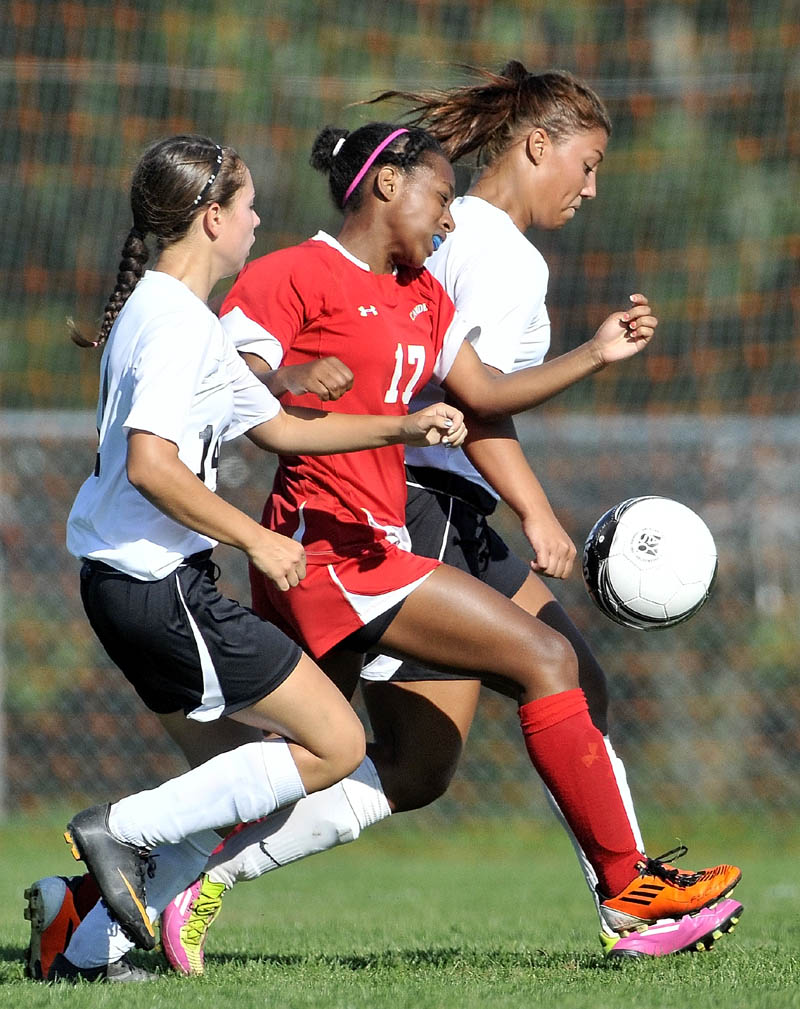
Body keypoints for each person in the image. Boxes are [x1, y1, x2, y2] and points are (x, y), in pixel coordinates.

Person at [30, 114, 740, 979]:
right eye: (441, 197)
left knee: (371, 766)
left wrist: (593, 354)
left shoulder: (424, 295)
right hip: (323, 551)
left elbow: (476, 392)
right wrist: (283, 387)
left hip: (375, 547)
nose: (449, 220)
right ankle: (629, 894)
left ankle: (92, 911)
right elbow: (237, 379)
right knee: (544, 660)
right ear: (387, 184)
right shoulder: (292, 274)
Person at [25, 132, 467, 984]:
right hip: (155, 587)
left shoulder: (178, 317)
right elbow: (153, 466)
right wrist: (257, 537)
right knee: (336, 741)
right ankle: (121, 827)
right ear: (211, 216)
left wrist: (402, 425)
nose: (261, 218)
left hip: (139, 588)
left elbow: (280, 426)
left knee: (258, 775)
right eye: (249, 203)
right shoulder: (174, 325)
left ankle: (86, 943)